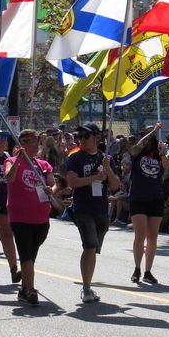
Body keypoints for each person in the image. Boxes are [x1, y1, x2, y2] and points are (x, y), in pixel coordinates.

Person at [65, 122, 120, 303]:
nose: (82, 140)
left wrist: (108, 170)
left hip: (101, 208)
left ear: (96, 137)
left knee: (94, 247)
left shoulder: (106, 159)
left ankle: (88, 283)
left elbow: (115, 186)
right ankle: (86, 287)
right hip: (83, 208)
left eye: (85, 136)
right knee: (89, 245)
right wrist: (95, 178)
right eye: (79, 136)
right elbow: (72, 183)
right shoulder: (75, 158)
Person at [5, 129, 57, 306]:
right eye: (26, 140)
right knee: (26, 254)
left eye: (34, 140)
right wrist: (18, 159)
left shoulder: (43, 164)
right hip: (20, 216)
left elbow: (53, 183)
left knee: (31, 255)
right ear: (20, 144)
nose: (31, 143)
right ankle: (31, 290)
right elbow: (8, 178)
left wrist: (53, 190)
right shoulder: (11, 161)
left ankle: (23, 289)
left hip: (41, 217)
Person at [127, 122, 169, 284]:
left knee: (152, 236)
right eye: (146, 133)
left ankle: (148, 271)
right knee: (141, 233)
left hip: (155, 198)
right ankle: (137, 268)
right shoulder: (137, 153)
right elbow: (137, 146)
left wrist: (163, 153)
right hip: (138, 197)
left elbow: (167, 167)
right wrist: (152, 132)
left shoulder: (159, 153)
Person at [0, 130, 21, 284]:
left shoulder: (8, 158)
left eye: (4, 138)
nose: (1, 141)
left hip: (3, 203)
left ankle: (14, 268)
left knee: (7, 235)